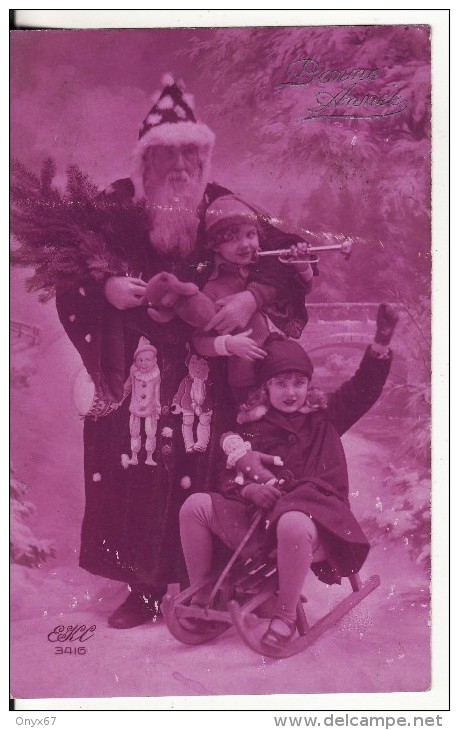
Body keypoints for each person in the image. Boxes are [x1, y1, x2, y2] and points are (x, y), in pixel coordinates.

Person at [54, 74, 313, 629]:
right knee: (137, 473)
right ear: (143, 165)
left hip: (211, 374)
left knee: (211, 472)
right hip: (138, 375)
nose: (179, 171)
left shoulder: (226, 209)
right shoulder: (114, 208)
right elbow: (67, 270)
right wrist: (104, 290)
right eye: (166, 158)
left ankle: (213, 582)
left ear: (205, 164)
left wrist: (251, 295)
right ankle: (144, 588)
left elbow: (287, 255)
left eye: (191, 159)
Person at [179, 304, 398, 649]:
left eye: (299, 383)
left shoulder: (326, 418)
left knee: (293, 520)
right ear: (266, 388)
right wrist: (250, 490)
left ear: (309, 385)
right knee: (195, 505)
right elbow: (228, 475)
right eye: (281, 384)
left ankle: (283, 617)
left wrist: (381, 344)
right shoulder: (252, 425)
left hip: (319, 522)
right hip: (259, 523)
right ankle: (206, 592)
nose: (291, 392)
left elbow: (363, 389)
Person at [192, 195, 314, 402]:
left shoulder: (265, 270)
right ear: (214, 246)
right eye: (232, 239)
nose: (245, 245)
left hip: (281, 372)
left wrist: (302, 265)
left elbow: (301, 289)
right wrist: (228, 344)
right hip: (248, 381)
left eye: (250, 235)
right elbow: (198, 341)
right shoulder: (211, 289)